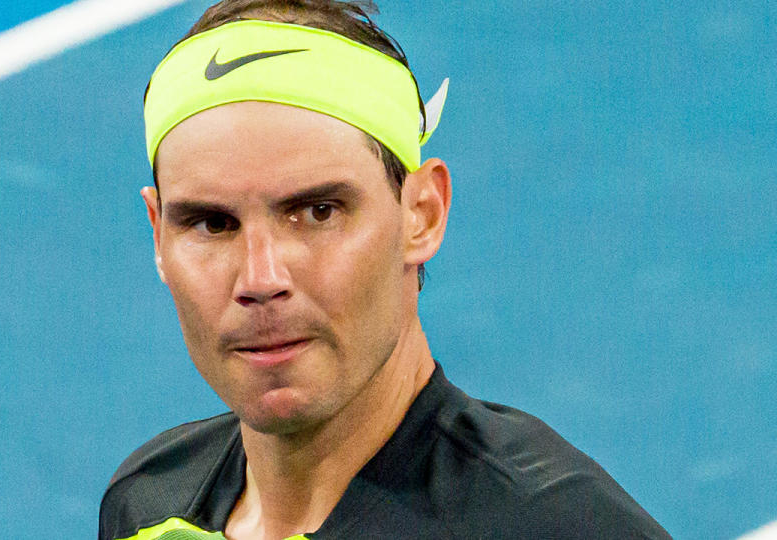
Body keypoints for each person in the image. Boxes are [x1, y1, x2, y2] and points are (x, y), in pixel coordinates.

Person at [100, 1, 670, 538]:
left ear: (421, 214)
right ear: (157, 235)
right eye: (211, 224)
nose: (260, 279)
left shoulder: (554, 527)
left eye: (316, 212)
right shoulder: (148, 506)